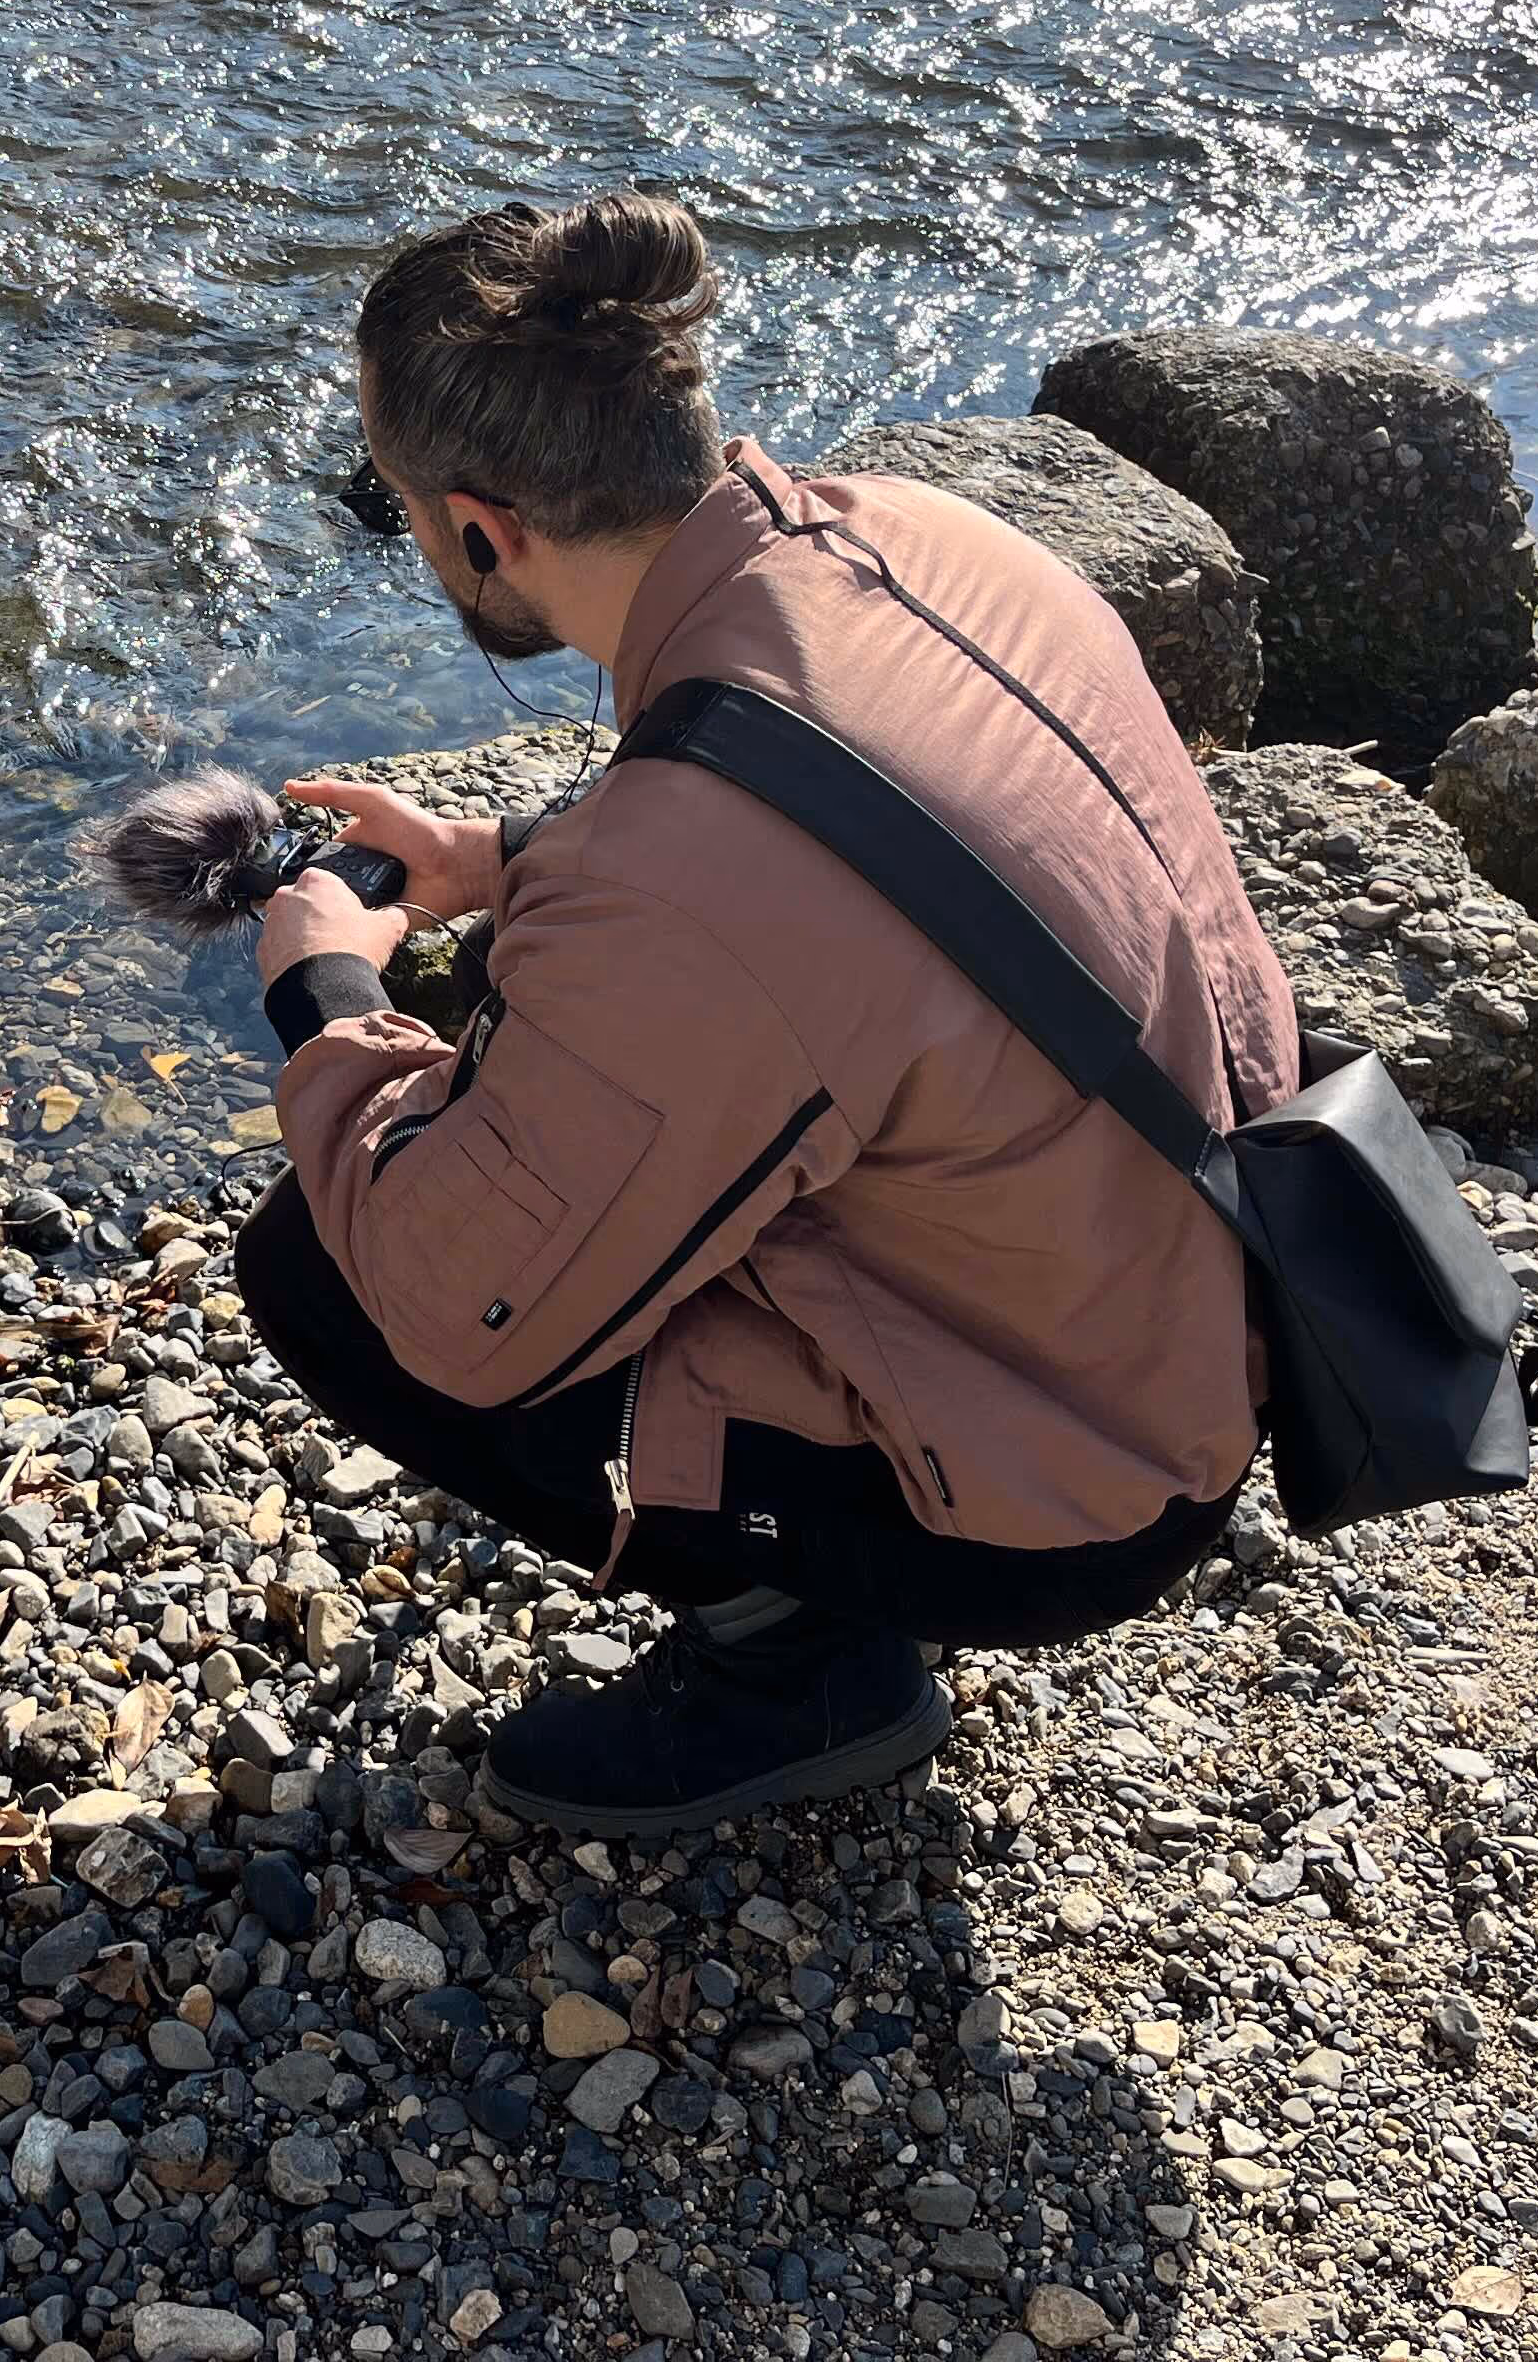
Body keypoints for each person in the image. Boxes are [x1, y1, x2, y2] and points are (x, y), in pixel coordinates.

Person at [238, 188, 1300, 1835]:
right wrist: (505, 863)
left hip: (1082, 1482)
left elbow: (461, 1300)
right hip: (1213, 1283)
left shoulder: (690, 879)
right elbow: (874, 867)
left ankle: (795, 1664)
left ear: (475, 529)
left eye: (391, 518)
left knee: (331, 1267)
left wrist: (326, 995)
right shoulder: (925, 540)